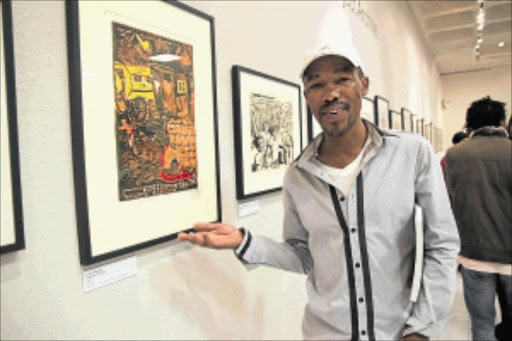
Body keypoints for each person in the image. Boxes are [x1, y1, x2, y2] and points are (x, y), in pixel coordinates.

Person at [178, 45, 460, 340]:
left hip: (398, 332)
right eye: (316, 85)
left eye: (342, 79)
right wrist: (244, 241)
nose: (330, 94)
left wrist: (422, 329)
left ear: (363, 85)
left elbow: (441, 245)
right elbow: (304, 256)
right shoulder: (298, 176)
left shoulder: (411, 153)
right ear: (307, 97)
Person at [443, 96, 511, 341]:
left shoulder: (455, 155)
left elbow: (451, 197)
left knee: (482, 326)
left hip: (474, 253)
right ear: (502, 121)